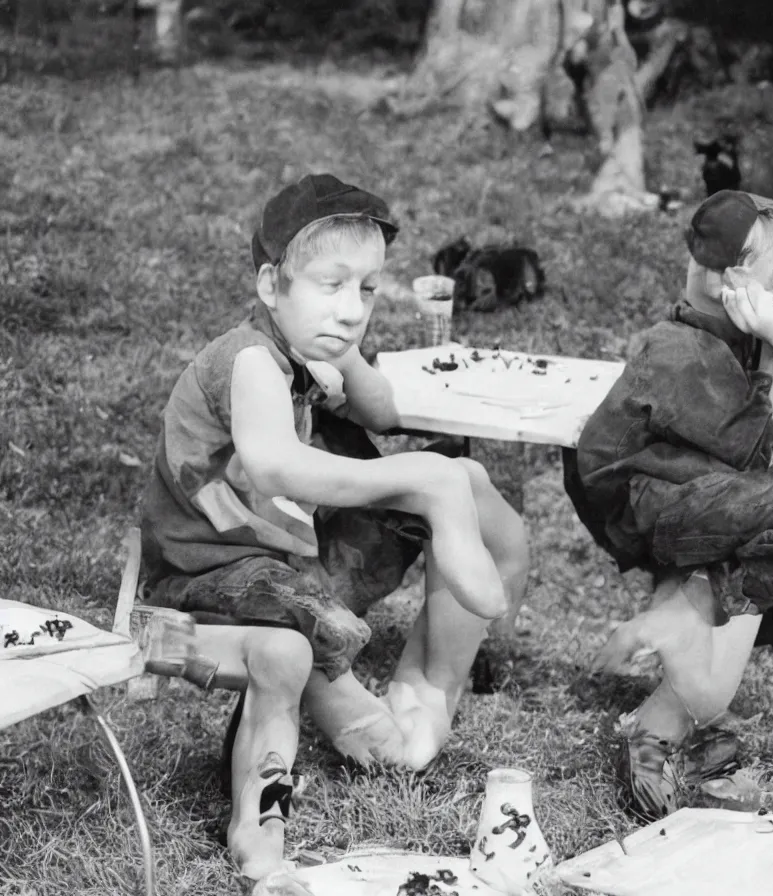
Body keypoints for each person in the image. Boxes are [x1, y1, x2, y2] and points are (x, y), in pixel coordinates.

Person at [138, 174, 530, 891]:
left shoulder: (305, 343)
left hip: (276, 560)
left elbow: (381, 412)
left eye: (368, 290)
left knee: (463, 484)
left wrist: (345, 357)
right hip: (206, 569)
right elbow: (275, 465)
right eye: (331, 286)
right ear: (269, 285)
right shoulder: (250, 360)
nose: (352, 309)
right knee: (298, 636)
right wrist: (420, 480)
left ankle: (426, 688)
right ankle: (288, 813)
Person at [563, 190, 773, 821]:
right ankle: (667, 714)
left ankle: (683, 706)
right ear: (735, 280)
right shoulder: (683, 352)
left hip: (696, 498)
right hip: (647, 504)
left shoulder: (731, 336)